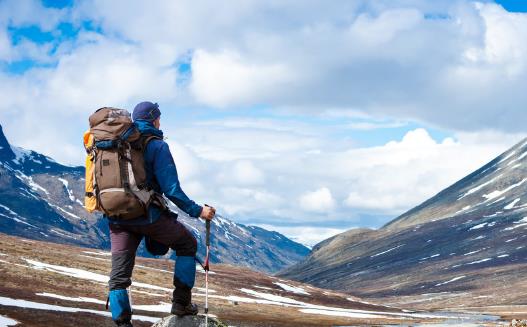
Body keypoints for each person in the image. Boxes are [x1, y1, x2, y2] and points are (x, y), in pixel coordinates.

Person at [107, 101, 215, 327]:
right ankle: (181, 303)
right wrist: (198, 211)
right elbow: (171, 189)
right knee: (187, 244)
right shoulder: (157, 146)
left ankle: (123, 324)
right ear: (153, 119)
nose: (160, 121)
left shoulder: (113, 144)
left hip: (117, 216)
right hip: (147, 216)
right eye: (159, 117)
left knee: (119, 276)